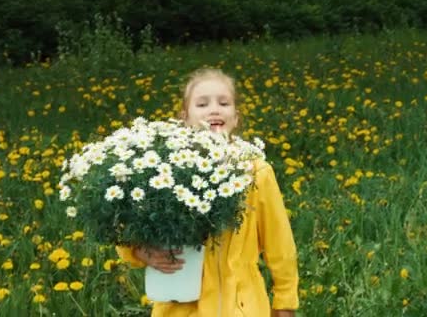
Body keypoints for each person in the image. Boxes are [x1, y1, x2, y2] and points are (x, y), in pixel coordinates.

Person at [116, 68, 299, 317]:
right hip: (180, 305)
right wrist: (138, 251)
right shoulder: (162, 171)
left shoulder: (255, 172)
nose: (214, 109)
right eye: (202, 104)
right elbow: (126, 226)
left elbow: (280, 243)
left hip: (240, 306)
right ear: (185, 118)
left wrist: (285, 301)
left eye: (224, 103)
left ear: (236, 117)